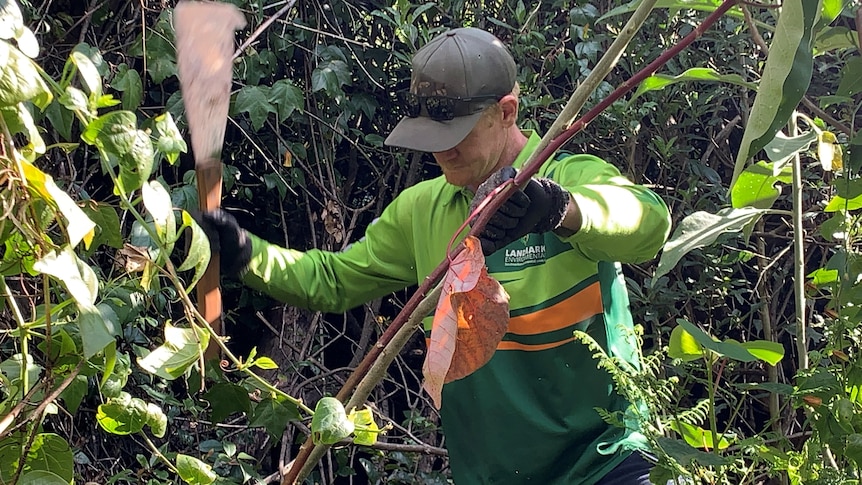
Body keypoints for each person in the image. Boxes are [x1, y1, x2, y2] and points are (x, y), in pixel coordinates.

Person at [198, 27, 672, 484]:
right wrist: (245, 253)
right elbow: (336, 281)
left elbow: (646, 224)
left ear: (507, 111)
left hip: (607, 463)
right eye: (430, 133)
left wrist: (562, 209)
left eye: (456, 132)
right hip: (491, 477)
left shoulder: (571, 175)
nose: (440, 151)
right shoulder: (422, 212)